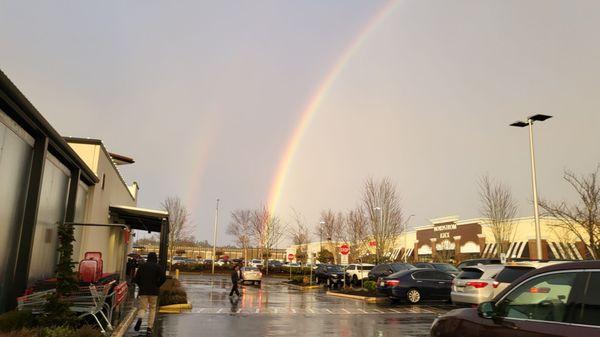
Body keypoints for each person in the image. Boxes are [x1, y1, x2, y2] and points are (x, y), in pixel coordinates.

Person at [133, 252, 166, 336]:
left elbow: (136, 279)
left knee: (142, 308)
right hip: (154, 291)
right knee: (152, 308)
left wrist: (141, 285)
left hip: (143, 291)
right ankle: (149, 329)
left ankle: (140, 318)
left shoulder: (142, 266)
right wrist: (157, 285)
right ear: (155, 258)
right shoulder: (158, 267)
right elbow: (163, 278)